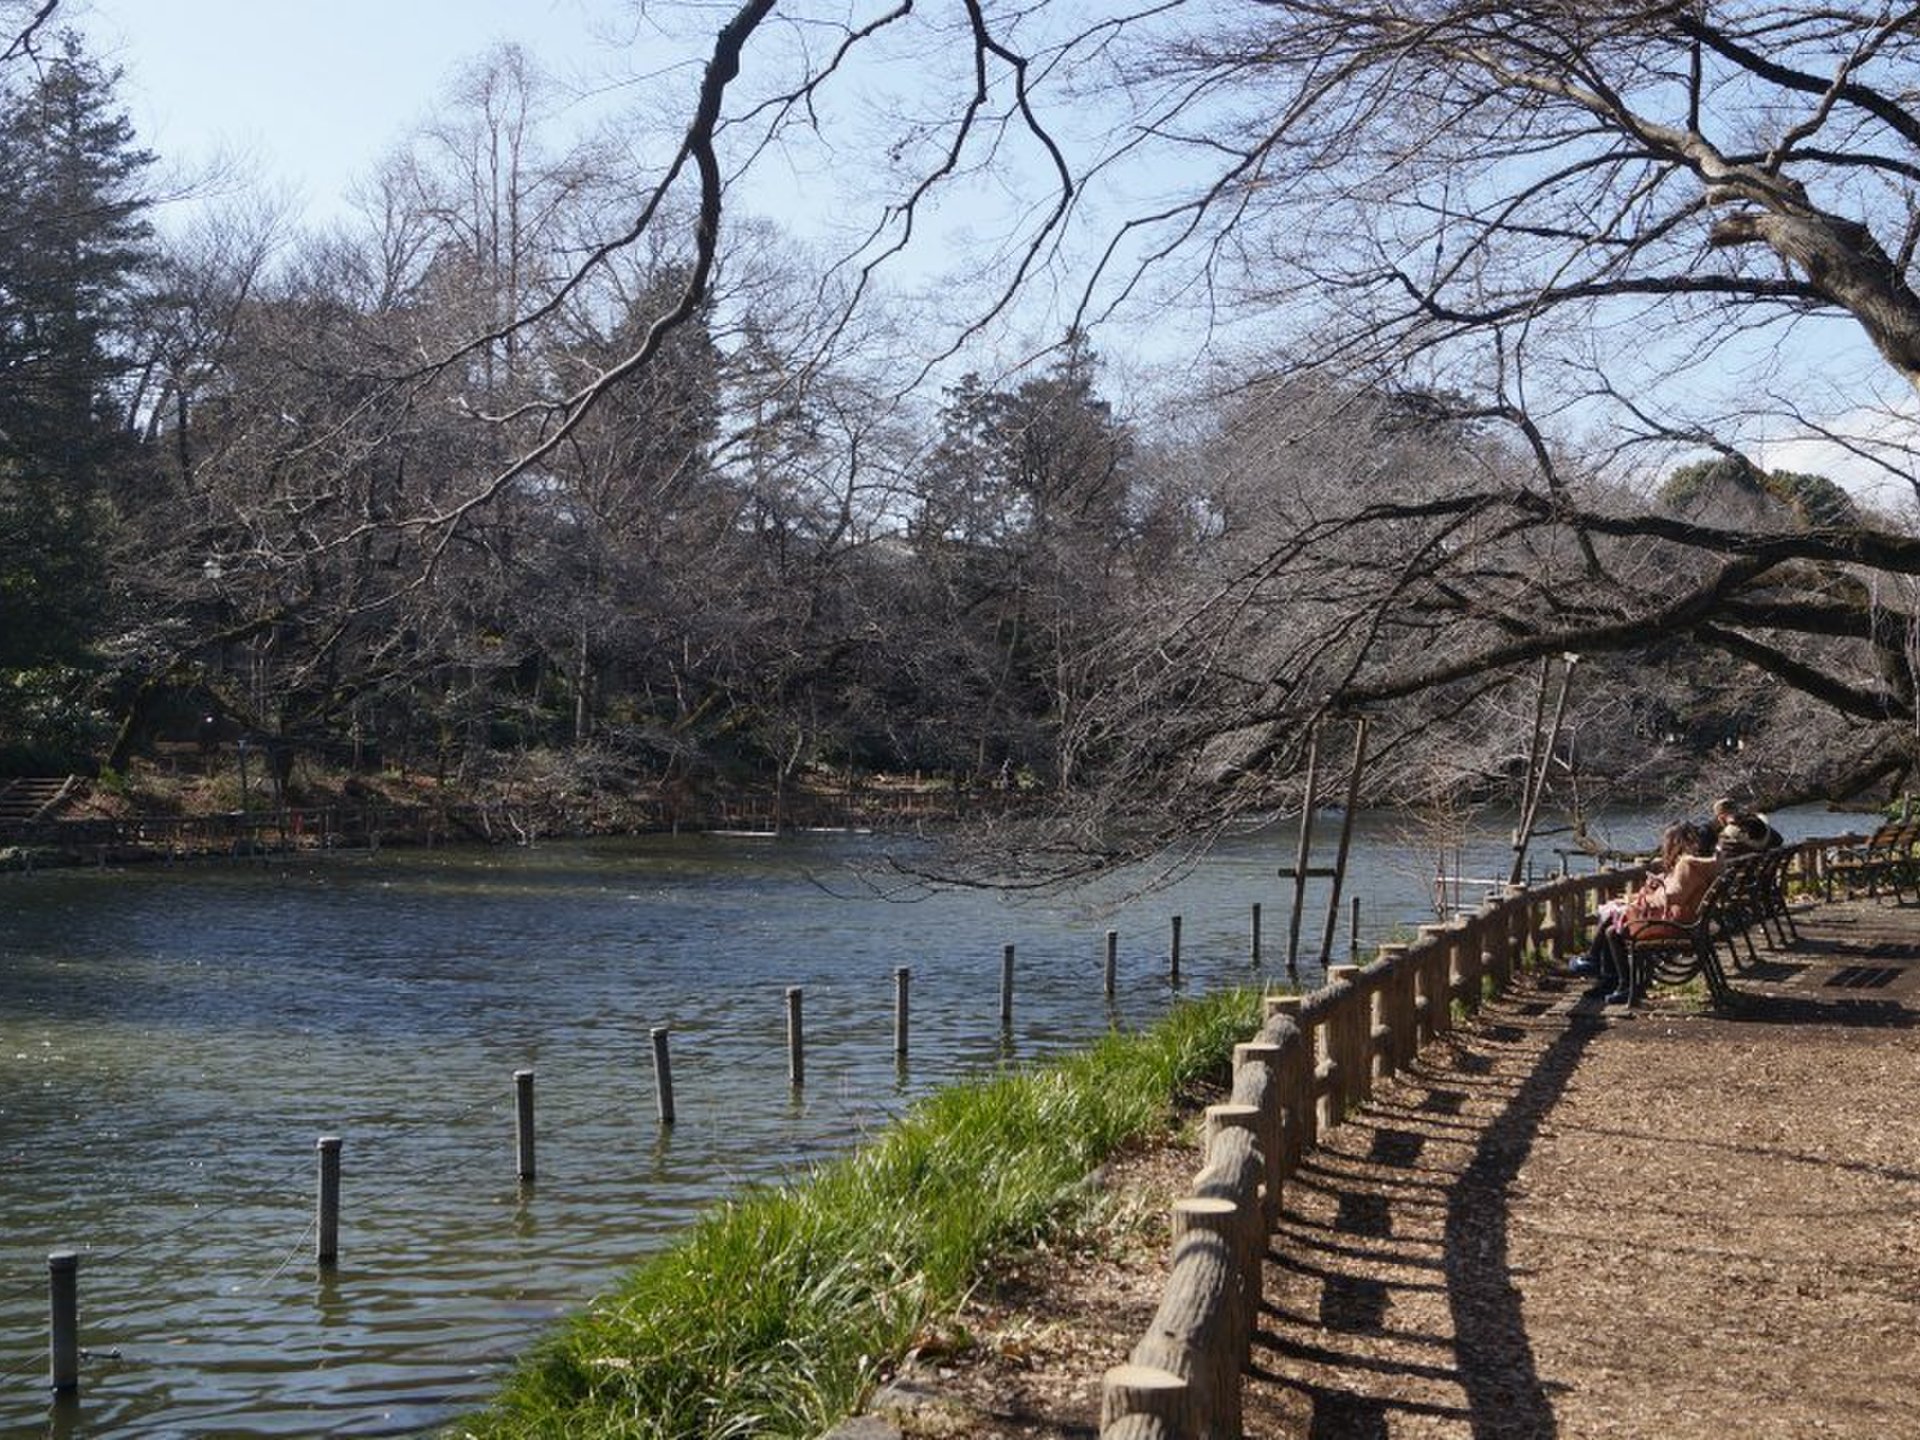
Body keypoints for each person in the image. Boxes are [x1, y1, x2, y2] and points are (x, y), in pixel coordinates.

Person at [1569, 820, 1719, 1003]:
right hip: (1688, 921)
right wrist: (1655, 887)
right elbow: (1677, 892)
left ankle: (1613, 978)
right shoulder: (1699, 865)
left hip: (1677, 924)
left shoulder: (1687, 865)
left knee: (1613, 927)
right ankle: (1614, 979)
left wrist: (1645, 898)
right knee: (1614, 922)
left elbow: (1674, 896)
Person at [1713, 797, 1784, 857]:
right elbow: (1779, 840)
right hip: (1765, 867)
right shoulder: (1762, 825)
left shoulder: (1727, 837)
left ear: (1721, 817)